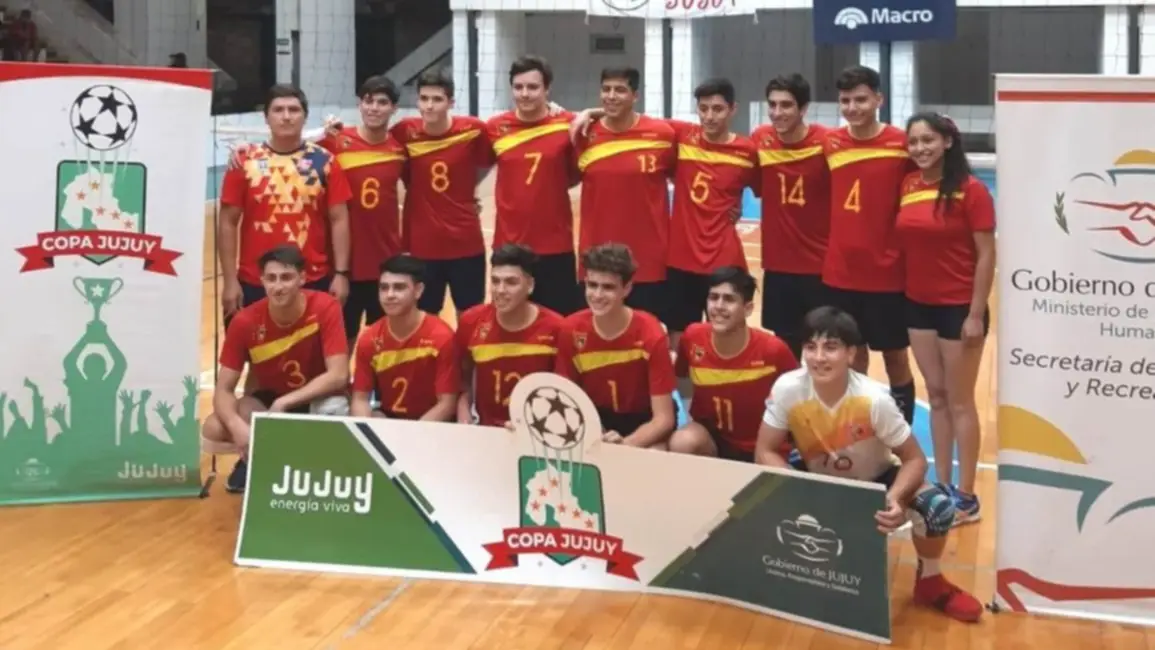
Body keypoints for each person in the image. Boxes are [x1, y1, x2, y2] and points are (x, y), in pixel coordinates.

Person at [754, 306, 983, 623]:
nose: (819, 357)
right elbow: (765, 450)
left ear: (851, 354)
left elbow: (914, 459)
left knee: (937, 507)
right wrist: (798, 489)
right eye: (810, 347)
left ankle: (930, 582)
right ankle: (789, 567)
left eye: (830, 347)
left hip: (875, 482)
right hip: (817, 482)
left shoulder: (874, 400)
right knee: (761, 487)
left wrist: (895, 498)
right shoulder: (787, 388)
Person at [897, 112, 996, 525]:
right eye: (913, 142)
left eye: (928, 140)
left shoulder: (971, 191)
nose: (920, 148)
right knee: (936, 396)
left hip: (958, 308)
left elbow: (987, 255)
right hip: (918, 305)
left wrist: (975, 314)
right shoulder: (908, 185)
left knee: (959, 401)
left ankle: (967, 498)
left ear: (947, 142)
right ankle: (941, 486)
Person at [202, 244, 350, 494]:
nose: (278, 286)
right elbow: (223, 390)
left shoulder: (325, 306)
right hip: (272, 403)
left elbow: (338, 375)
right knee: (214, 428)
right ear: (262, 281)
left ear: (302, 278)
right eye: (271, 279)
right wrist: (238, 428)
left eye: (286, 277)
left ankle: (305, 468)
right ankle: (261, 460)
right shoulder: (244, 321)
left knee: (336, 410)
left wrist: (285, 402)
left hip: (318, 398)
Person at [821, 65, 916, 423]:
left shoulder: (901, 144)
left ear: (879, 99)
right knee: (852, 356)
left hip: (887, 274)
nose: (852, 107)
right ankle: (854, 429)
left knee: (895, 357)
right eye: (845, 100)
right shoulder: (830, 143)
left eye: (860, 99)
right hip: (840, 273)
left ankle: (900, 433)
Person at [218, 84, 352, 318]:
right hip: (256, 281)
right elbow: (228, 222)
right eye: (278, 110)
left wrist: (341, 274)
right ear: (266, 118)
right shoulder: (244, 161)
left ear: (305, 117)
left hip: (312, 279)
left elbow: (339, 219)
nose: (286, 116)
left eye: (294, 110)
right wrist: (230, 281)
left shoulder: (325, 161)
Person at [570, 67, 677, 322]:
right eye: (606, 89)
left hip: (648, 262)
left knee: (648, 334)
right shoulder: (581, 133)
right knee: (598, 335)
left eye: (620, 90)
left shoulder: (663, 135)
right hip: (596, 260)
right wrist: (588, 113)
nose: (611, 96)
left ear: (635, 95)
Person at [389, 69, 492, 317]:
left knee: (470, 318)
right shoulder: (403, 132)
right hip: (422, 247)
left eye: (437, 99)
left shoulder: (473, 130)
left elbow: (489, 161)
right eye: (424, 98)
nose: (429, 105)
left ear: (451, 102)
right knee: (424, 318)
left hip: (466, 244)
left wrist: (469, 189)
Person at [485, 55, 582, 316]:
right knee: (508, 321)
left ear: (547, 89)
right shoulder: (495, 128)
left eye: (533, 87)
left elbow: (576, 173)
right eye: (518, 87)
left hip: (555, 245)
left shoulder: (568, 124)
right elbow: (472, 164)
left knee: (560, 323)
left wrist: (588, 113)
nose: (525, 94)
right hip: (508, 245)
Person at [555, 243, 676, 448]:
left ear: (626, 289)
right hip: (594, 418)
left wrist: (624, 446)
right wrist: (593, 431)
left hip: (643, 419)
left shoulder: (650, 332)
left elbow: (663, 419)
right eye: (592, 285)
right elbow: (566, 398)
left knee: (658, 452)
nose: (597, 295)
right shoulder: (571, 329)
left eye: (608, 287)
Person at [670, 267, 798, 461]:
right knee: (683, 442)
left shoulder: (773, 350)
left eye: (729, 299)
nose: (719, 306)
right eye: (713, 297)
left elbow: (800, 395)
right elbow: (680, 378)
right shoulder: (693, 337)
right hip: (712, 442)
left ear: (748, 309)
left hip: (761, 446)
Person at [316, 76, 407, 346]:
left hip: (385, 264)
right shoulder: (334, 142)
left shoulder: (400, 150)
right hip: (345, 266)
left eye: (382, 102)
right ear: (359, 105)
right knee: (343, 343)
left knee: (385, 344)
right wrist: (242, 151)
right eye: (368, 101)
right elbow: (291, 152)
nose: (374, 108)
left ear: (394, 109)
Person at [751, 74, 833, 360]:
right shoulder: (761, 139)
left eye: (786, 105)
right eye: (772, 105)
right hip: (778, 267)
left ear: (804, 108)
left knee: (822, 348)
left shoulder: (826, 142)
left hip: (820, 267)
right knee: (785, 350)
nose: (777, 112)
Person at [456, 244, 564, 427]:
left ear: (530, 285)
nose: (500, 290)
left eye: (511, 282)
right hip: (485, 429)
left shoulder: (557, 328)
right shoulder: (471, 321)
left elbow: (564, 394)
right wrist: (463, 410)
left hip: (538, 431)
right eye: (495, 281)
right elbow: (462, 380)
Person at [350, 254, 458, 421]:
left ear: (418, 290)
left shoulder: (442, 337)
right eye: (384, 288)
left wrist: (412, 432)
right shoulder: (369, 339)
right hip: (390, 419)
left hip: (431, 424)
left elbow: (447, 404)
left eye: (399, 288)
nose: (389, 295)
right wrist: (366, 426)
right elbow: (360, 399)